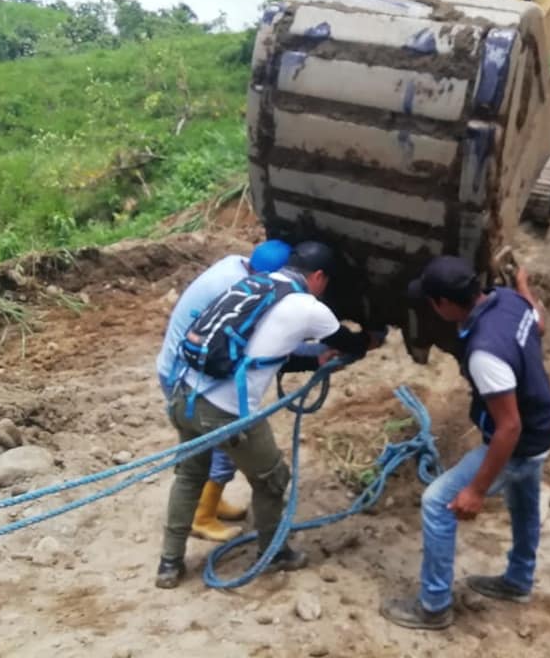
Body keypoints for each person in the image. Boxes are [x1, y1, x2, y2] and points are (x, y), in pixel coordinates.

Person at [156, 241, 382, 588]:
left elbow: (261, 352)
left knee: (189, 476)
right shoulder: (310, 308)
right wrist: (372, 338)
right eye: (327, 282)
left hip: (183, 394)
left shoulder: (255, 284)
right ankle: (274, 553)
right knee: (273, 479)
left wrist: (314, 361)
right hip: (225, 412)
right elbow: (351, 344)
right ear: (319, 276)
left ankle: (169, 564)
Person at [381, 256, 550, 630]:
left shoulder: (484, 354)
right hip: (544, 424)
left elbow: (508, 427)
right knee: (524, 498)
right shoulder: (508, 299)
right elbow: (539, 323)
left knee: (437, 503)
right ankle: (518, 580)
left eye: (432, 301)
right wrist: (523, 286)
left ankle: (433, 607)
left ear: (445, 304)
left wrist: (476, 490)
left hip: (522, 439)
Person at [156, 240, 292, 542]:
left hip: (175, 366)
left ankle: (211, 501)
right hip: (187, 376)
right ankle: (202, 516)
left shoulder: (234, 265)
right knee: (223, 444)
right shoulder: (242, 290)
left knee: (206, 449)